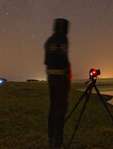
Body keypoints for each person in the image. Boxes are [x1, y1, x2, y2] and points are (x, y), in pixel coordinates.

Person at [44, 18, 71, 149]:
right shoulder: (63, 39)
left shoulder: (48, 41)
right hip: (60, 77)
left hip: (50, 76)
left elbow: (47, 61)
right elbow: (64, 58)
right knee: (61, 110)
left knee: (53, 108)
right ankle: (58, 143)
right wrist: (66, 74)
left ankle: (51, 138)